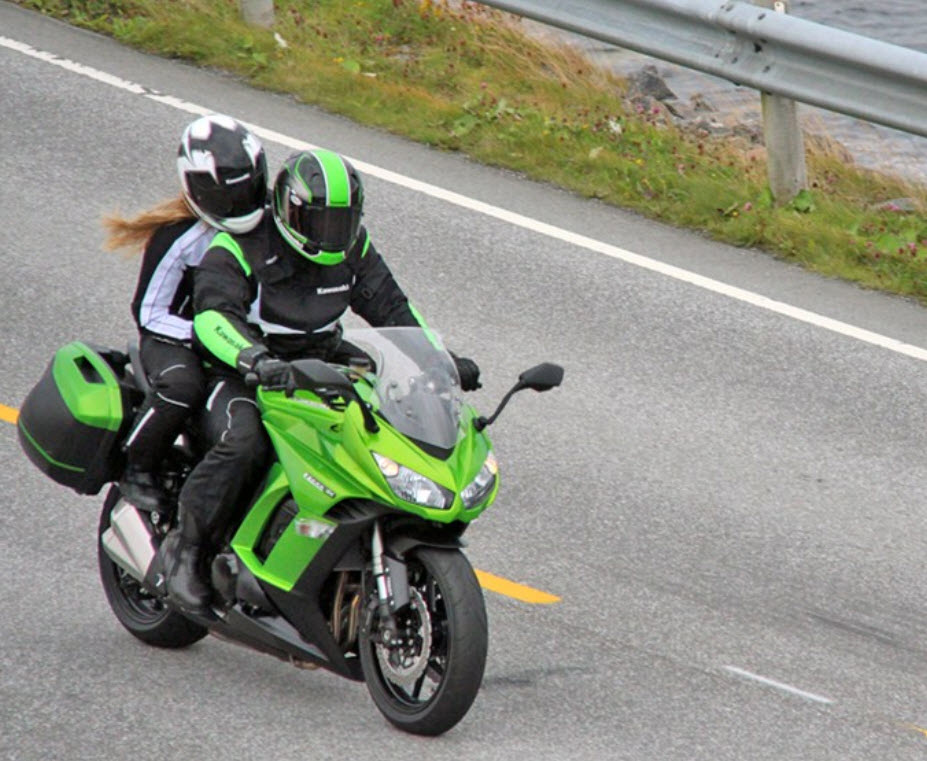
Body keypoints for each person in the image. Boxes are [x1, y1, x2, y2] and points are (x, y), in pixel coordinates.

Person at [163, 148, 481, 611]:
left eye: (342, 221)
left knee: (382, 419)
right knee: (245, 439)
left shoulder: (354, 248)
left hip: (319, 360)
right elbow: (213, 316)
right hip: (239, 370)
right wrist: (253, 358)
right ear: (290, 210)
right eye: (321, 221)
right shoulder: (239, 246)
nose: (332, 233)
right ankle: (186, 553)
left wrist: (438, 359)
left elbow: (393, 307)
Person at [103, 113, 268, 511]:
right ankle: (136, 465)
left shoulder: (270, 233)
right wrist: (203, 335)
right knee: (183, 387)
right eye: (227, 195)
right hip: (175, 339)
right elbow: (148, 312)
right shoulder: (177, 238)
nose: (239, 203)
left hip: (239, 341)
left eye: (247, 190)